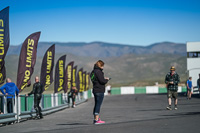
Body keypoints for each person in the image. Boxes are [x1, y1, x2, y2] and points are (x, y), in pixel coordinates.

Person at [90, 60, 110, 124]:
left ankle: (96, 118)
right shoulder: (99, 72)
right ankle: (96, 120)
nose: (103, 67)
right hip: (99, 90)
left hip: (95, 89)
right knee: (98, 105)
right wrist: (106, 80)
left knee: (96, 104)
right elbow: (102, 81)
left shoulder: (93, 72)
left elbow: (95, 80)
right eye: (102, 66)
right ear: (100, 65)